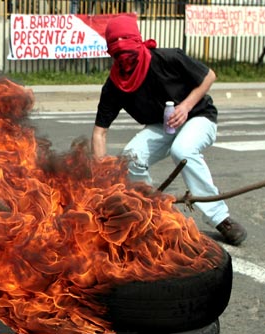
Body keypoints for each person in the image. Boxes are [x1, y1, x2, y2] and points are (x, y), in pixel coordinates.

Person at [91, 13, 247, 246]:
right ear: (110, 53)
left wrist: (186, 106)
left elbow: (209, 76)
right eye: (118, 56)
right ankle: (148, 214)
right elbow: (99, 132)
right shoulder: (114, 86)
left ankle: (221, 218)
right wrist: (102, 172)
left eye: (129, 55)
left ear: (138, 42)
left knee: (182, 150)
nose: (125, 62)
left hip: (197, 116)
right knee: (131, 156)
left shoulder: (167, 58)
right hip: (162, 125)